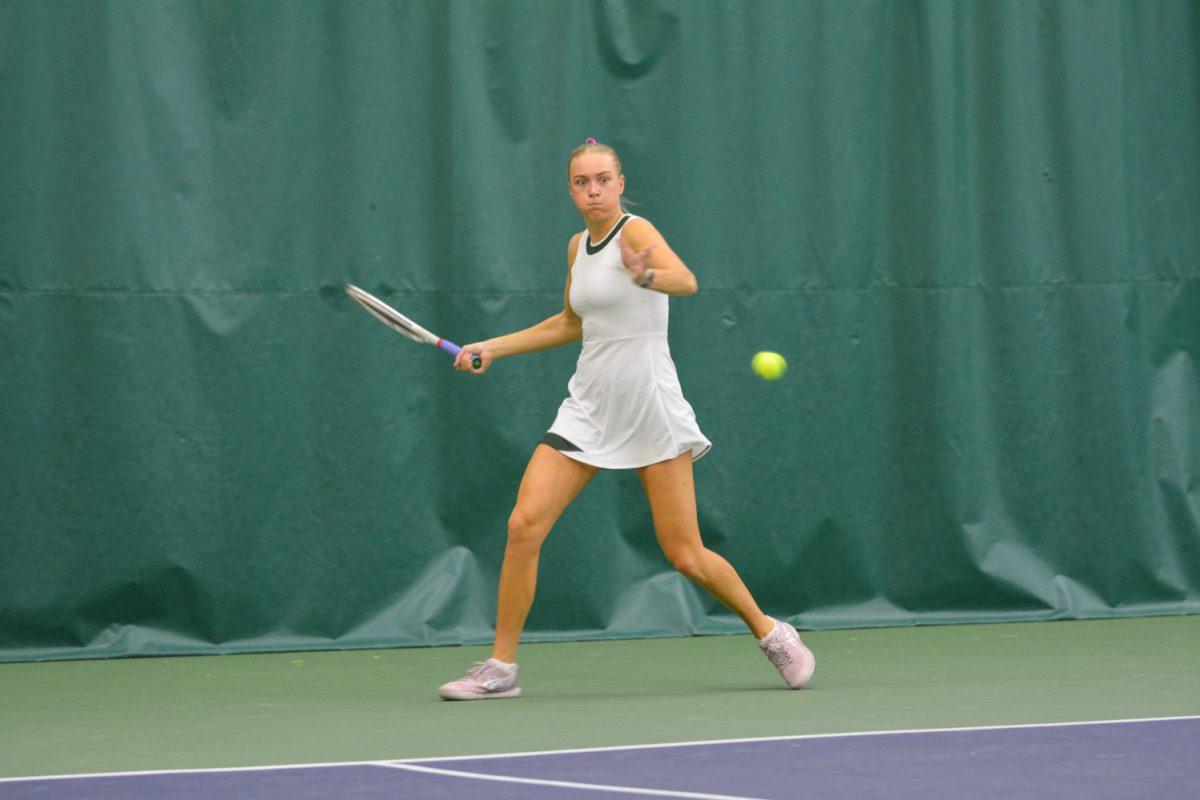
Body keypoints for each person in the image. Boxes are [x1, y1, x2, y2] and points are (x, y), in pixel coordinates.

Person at [437, 139, 814, 700]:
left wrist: (647, 277)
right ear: (571, 189)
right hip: (588, 405)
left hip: (648, 405)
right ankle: (501, 668)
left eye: (602, 180)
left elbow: (685, 280)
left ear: (619, 182)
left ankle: (771, 631)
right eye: (581, 182)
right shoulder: (576, 247)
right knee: (523, 526)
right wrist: (492, 346)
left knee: (684, 553)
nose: (593, 191)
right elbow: (569, 323)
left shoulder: (636, 232)